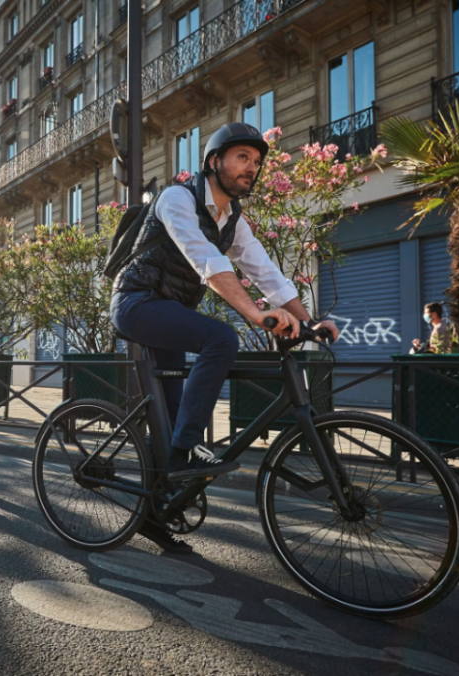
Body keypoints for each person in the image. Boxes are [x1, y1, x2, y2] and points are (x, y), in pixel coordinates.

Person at [110, 122, 340, 554]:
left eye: (256, 162)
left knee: (176, 415)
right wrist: (255, 314)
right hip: (136, 303)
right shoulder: (177, 198)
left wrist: (306, 321)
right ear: (214, 161)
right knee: (221, 339)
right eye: (242, 158)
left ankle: (155, 509)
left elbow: (266, 272)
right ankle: (185, 455)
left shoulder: (233, 220)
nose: (251, 168)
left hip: (170, 313)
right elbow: (205, 260)